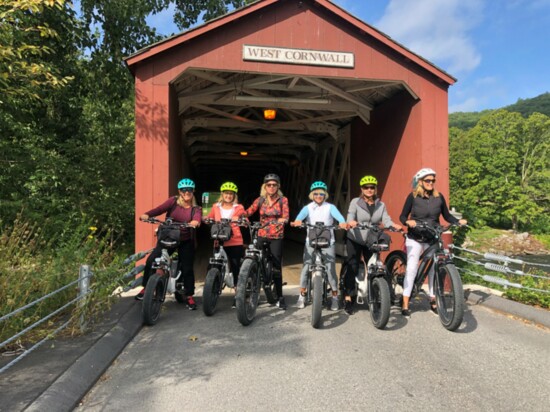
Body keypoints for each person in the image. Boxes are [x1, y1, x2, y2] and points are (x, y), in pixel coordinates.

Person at [399, 168, 467, 318]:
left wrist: (457, 221)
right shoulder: (413, 197)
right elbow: (402, 216)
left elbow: (447, 216)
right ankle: (405, 302)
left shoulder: (439, 197)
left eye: (433, 180)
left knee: (433, 269)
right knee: (412, 268)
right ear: (420, 182)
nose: (430, 183)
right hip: (415, 237)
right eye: (427, 180)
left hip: (432, 236)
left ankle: (433, 299)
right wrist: (408, 222)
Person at [138, 178, 202, 310]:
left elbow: (197, 218)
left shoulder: (195, 208)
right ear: (179, 191)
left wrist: (195, 223)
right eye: (184, 190)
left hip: (185, 240)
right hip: (168, 237)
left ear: (193, 191)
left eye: (189, 190)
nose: (187, 192)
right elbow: (159, 209)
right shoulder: (172, 201)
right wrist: (147, 214)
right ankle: (146, 288)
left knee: (187, 268)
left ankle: (189, 295)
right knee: (151, 260)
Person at [343, 175, 401, 315]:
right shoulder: (355, 202)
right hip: (355, 237)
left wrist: (393, 225)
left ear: (375, 189)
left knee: (374, 266)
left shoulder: (381, 205)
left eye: (372, 187)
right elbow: (350, 215)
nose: (369, 190)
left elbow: (386, 219)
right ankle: (348, 297)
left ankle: (376, 294)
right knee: (353, 265)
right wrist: (351, 222)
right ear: (362, 189)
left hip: (372, 238)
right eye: (366, 187)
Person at [290, 181, 347, 311]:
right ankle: (302, 295)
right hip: (311, 241)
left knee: (331, 269)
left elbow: (340, 218)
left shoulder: (330, 207)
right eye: (316, 193)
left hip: (328, 241)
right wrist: (298, 221)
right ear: (312, 195)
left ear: (325, 194)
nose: (319, 196)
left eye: (322, 193)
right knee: (306, 267)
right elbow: (300, 217)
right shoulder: (308, 207)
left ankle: (334, 297)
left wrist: (343, 222)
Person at [244, 173, 290, 309]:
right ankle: (253, 291)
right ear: (265, 186)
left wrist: (281, 220)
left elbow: (286, 216)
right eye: (268, 185)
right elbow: (249, 211)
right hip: (262, 233)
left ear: (278, 186)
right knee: (255, 260)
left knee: (276, 267)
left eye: (274, 185)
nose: (271, 187)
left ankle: (280, 297)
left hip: (276, 236)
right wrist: (241, 216)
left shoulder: (283, 200)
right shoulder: (260, 200)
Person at [205, 181, 245, 308]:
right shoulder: (215, 206)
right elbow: (209, 217)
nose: (228, 196)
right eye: (226, 193)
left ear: (234, 195)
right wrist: (205, 219)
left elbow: (245, 219)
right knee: (214, 264)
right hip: (219, 239)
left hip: (235, 240)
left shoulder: (239, 208)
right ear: (222, 194)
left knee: (235, 267)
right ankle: (213, 288)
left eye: (231, 194)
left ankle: (237, 295)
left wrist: (241, 220)